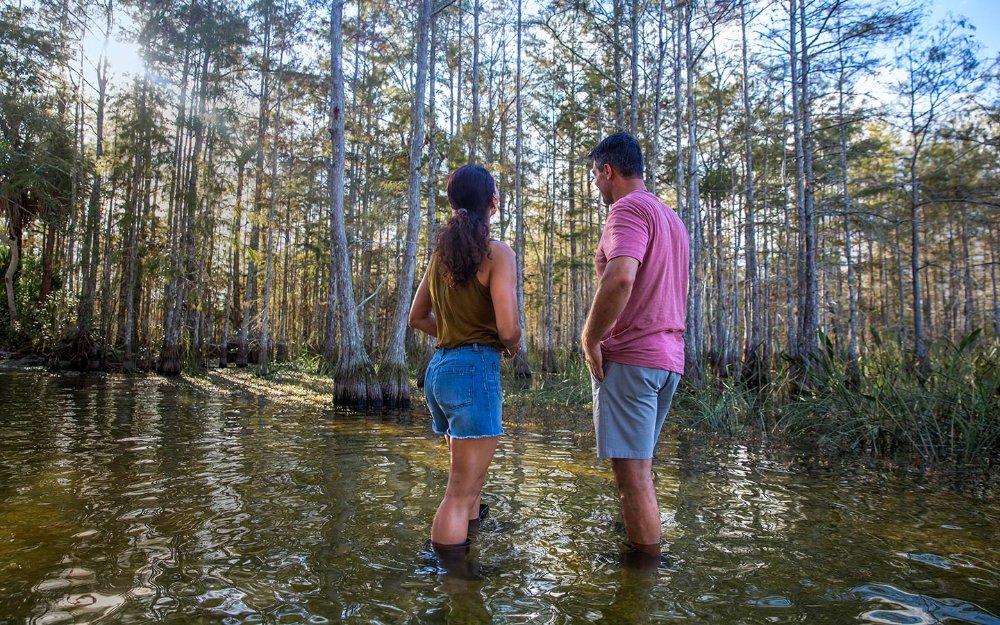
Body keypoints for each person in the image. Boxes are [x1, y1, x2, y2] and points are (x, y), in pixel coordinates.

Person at [581, 132, 689, 558]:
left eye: (595, 175)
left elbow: (622, 275)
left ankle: (641, 580)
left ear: (608, 171)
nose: (596, 185)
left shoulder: (626, 209)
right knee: (640, 471)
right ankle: (646, 557)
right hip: (668, 361)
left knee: (632, 478)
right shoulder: (671, 219)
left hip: (632, 359)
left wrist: (590, 338)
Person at [408, 164, 522, 554]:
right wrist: (512, 345)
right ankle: (449, 578)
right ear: (493, 202)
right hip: (474, 371)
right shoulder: (498, 254)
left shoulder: (441, 256)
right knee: (459, 492)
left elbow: (417, 317)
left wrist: (457, 330)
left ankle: (469, 546)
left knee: (470, 483)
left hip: (440, 371)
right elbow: (508, 329)